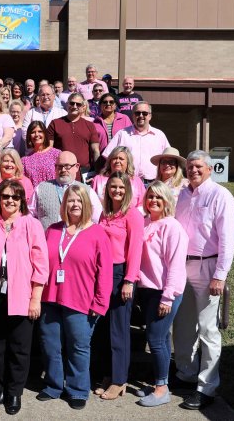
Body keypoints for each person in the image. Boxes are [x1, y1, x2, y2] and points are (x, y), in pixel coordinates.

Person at [38, 184, 113, 409]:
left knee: (78, 347)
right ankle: (53, 386)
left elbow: (106, 272)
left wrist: (100, 303)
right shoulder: (52, 229)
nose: (75, 204)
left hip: (81, 301)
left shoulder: (98, 233)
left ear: (87, 204)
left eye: (79, 200)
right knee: (51, 345)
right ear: (64, 204)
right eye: (70, 200)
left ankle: (78, 389)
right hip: (50, 297)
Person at [173, 150, 234, 410]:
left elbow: (227, 239)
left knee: (208, 329)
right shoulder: (181, 194)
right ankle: (186, 374)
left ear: (210, 169)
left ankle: (207, 386)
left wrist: (220, 275)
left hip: (207, 266)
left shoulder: (220, 196)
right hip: (181, 265)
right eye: (190, 166)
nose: (194, 170)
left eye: (199, 166)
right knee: (183, 324)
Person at [0, 180, 49, 415]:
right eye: (6, 196)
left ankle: (15, 392)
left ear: (22, 201)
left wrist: (35, 298)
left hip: (22, 297)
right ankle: (0, 387)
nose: (10, 200)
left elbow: (41, 263)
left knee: (19, 349)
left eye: (15, 197)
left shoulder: (31, 225)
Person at [136, 181, 188, 407]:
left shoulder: (172, 226)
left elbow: (176, 265)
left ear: (167, 201)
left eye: (158, 197)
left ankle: (161, 388)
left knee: (155, 339)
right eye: (150, 197)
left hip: (165, 291)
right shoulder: (146, 223)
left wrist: (168, 297)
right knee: (162, 338)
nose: (153, 201)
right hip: (147, 290)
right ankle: (162, 380)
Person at [96, 171, 144, 401]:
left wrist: (129, 280)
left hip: (120, 274)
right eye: (113, 186)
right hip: (102, 273)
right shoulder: (105, 214)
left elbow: (135, 250)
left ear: (127, 190)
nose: (116, 190)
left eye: (121, 187)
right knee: (105, 329)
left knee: (119, 330)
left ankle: (119, 380)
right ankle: (108, 374)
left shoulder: (132, 215)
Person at [29, 151, 103, 229]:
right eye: (60, 166)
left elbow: (97, 219)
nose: (63, 170)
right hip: (48, 239)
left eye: (67, 166)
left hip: (78, 239)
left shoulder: (87, 191)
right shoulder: (41, 188)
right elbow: (29, 216)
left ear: (77, 167)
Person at [102, 102, 170, 184]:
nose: (141, 116)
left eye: (144, 113)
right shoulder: (122, 134)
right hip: (127, 182)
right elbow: (108, 156)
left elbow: (169, 158)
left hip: (153, 183)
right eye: (137, 113)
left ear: (150, 116)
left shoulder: (159, 135)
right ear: (133, 115)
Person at [47, 92, 100, 181]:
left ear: (83, 107)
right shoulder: (55, 123)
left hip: (84, 173)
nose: (74, 106)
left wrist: (97, 172)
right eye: (72, 103)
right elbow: (49, 150)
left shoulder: (90, 125)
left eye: (78, 104)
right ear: (67, 104)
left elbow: (95, 150)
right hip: (62, 171)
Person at [22, 121, 62, 187]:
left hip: (54, 194)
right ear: (29, 136)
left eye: (40, 131)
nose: (36, 134)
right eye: (33, 132)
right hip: (35, 196)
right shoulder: (24, 161)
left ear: (45, 134)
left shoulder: (57, 154)